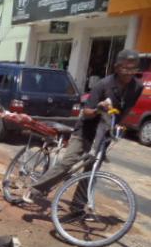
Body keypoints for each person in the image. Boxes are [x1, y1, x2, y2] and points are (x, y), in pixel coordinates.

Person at [23, 49, 143, 205]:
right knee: (68, 162)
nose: (129, 73)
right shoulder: (104, 84)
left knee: (91, 169)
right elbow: (85, 112)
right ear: (117, 67)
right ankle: (35, 189)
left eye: (133, 69)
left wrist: (117, 125)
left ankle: (78, 206)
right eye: (125, 69)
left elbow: (125, 110)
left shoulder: (137, 87)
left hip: (103, 133)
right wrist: (98, 110)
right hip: (86, 129)